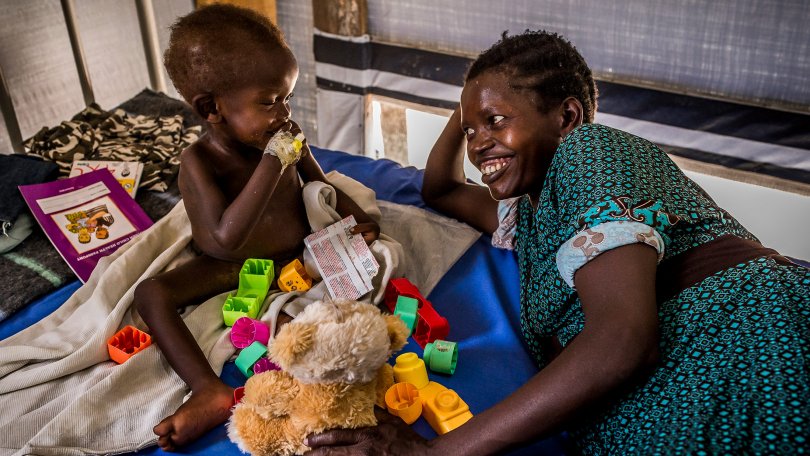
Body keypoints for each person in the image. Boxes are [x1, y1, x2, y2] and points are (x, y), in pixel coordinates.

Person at [304, 30, 810, 455]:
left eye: (496, 121)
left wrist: (437, 453)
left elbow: (622, 340)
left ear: (566, 118)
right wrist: (471, 111)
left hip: (744, 354)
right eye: (471, 129)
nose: (479, 143)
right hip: (653, 404)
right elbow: (439, 189)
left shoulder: (591, 152)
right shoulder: (528, 215)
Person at [134, 5, 380, 452]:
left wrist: (353, 223)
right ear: (212, 109)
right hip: (231, 262)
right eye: (269, 101)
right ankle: (207, 389)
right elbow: (227, 238)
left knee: (318, 326)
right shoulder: (200, 162)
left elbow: (319, 186)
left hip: (294, 254)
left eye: (286, 97)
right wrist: (272, 161)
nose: (284, 113)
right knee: (150, 294)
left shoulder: (282, 137)